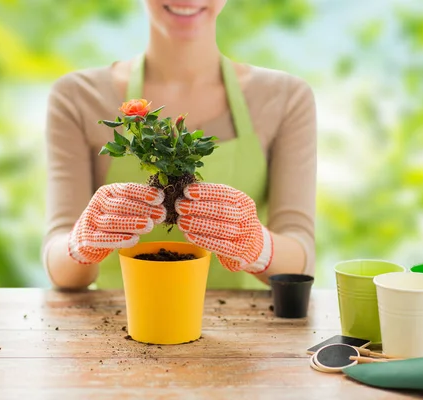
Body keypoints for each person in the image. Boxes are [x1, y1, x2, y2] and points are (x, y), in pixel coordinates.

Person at [43, 0, 317, 290]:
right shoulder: (76, 96)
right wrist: (81, 242)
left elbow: (301, 259)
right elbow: (61, 270)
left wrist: (258, 245)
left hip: (243, 326)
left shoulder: (286, 97)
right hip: (119, 319)